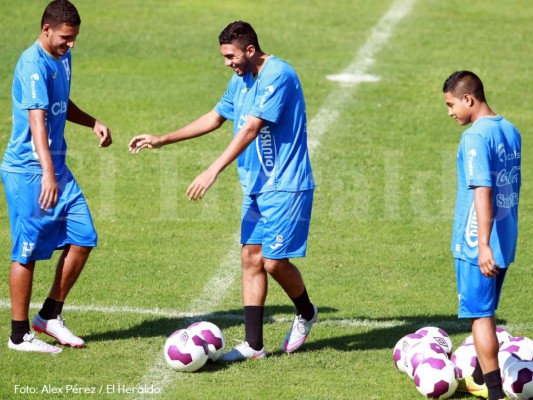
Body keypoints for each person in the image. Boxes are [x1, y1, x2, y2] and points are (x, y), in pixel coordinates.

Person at [129, 21, 317, 361]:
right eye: (224, 57)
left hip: (286, 184)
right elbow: (216, 117)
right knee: (250, 260)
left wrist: (212, 170)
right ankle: (254, 346)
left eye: (231, 56)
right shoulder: (240, 80)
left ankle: (305, 311)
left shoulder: (278, 75)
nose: (227, 62)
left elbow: (250, 129)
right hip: (257, 186)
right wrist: (162, 138)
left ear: (250, 49)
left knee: (273, 262)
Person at [1, 0, 112, 353]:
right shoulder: (32, 64)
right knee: (28, 252)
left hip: (55, 169)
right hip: (30, 171)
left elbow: (60, 104)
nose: (71, 44)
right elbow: (37, 122)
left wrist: (92, 121)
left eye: (75, 37)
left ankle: (49, 316)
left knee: (84, 237)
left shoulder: (62, 56)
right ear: (46, 29)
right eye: (66, 37)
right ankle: (19, 335)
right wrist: (48, 174)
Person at [443, 70, 521, 400]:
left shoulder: (475, 138)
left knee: (480, 317)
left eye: (451, 104)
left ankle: (495, 394)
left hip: (479, 242)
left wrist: (483, 244)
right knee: (485, 311)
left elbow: (483, 191)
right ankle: (479, 372)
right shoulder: (511, 130)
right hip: (507, 237)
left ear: (469, 99)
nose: (450, 112)